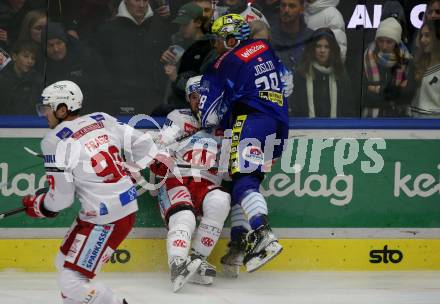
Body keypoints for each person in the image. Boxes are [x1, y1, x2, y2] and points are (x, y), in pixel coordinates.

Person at [21, 80, 163, 304]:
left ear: (62, 108)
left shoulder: (54, 140)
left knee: (72, 282)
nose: (44, 114)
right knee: (64, 261)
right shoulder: (101, 119)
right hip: (112, 210)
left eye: (46, 108)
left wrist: (39, 206)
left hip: (106, 218)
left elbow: (62, 199)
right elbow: (145, 144)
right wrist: (129, 169)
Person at [197, 14, 291, 273]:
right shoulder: (265, 47)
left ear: (230, 40)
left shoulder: (223, 63)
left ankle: (263, 234)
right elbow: (288, 84)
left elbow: (209, 116)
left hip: (250, 121)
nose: (214, 46)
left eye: (217, 40)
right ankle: (238, 244)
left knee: (243, 181)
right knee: (242, 181)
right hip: (278, 123)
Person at [152, 76, 231, 292]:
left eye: (205, 97)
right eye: (195, 97)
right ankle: (178, 264)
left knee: (221, 200)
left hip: (206, 183)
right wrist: (161, 157)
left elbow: (226, 172)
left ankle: (196, 260)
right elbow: (162, 145)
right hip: (176, 179)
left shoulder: (226, 126)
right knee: (184, 215)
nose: (200, 102)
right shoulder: (178, 117)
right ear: (188, 99)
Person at [291, 28, 356, 117]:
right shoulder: (301, 74)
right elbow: (295, 108)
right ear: (312, 48)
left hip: (337, 129)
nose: (322, 51)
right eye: (318, 46)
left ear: (332, 49)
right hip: (306, 129)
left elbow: (349, 110)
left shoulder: (340, 74)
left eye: (327, 47)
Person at [362, 17, 413, 117]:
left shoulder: (406, 60)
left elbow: (407, 94)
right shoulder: (366, 58)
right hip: (371, 119)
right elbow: (364, 94)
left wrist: (377, 89)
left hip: (399, 117)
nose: (384, 46)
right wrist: (390, 93)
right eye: (381, 41)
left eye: (389, 42)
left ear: (396, 42)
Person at [0, 39, 43, 115]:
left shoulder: (38, 81)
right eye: (26, 56)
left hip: (29, 124)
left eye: (33, 58)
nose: (30, 61)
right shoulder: (2, 79)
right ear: (14, 57)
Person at [411, 20, 440, 117]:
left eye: (427, 35)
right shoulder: (418, 63)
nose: (422, 40)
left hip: (434, 127)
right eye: (421, 36)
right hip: (414, 124)